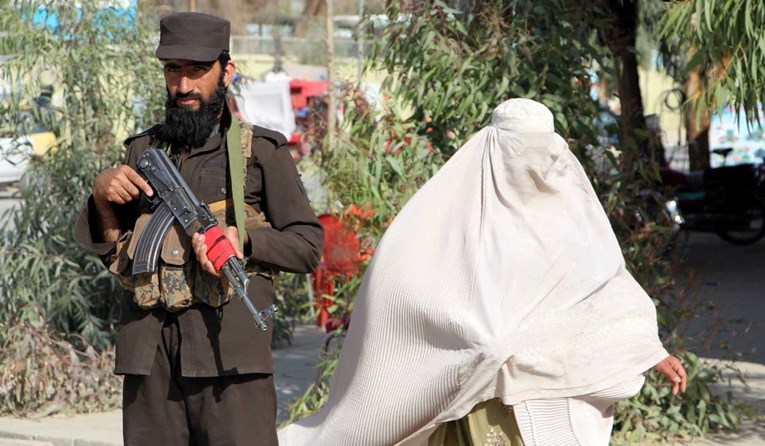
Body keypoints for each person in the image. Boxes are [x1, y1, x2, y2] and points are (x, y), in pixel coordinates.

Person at [278, 98, 686, 445]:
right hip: (474, 398)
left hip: (549, 395)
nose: (533, 163)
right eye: (521, 150)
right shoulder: (452, 217)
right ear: (495, 149)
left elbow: (605, 289)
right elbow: (401, 288)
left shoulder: (569, 216)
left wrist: (649, 351)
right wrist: (475, 335)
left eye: (542, 150)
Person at [74, 12, 323, 445]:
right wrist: (100, 197)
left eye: (197, 70)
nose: (184, 85)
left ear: (226, 71)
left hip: (230, 360)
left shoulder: (261, 153)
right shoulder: (142, 150)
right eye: (174, 70)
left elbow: (307, 245)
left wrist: (243, 239)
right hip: (150, 359)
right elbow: (114, 253)